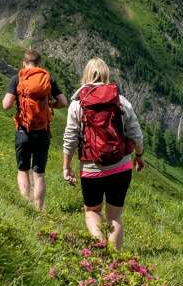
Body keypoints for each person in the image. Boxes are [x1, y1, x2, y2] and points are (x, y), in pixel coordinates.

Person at [61, 58, 145, 248]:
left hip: (91, 168)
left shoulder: (77, 104)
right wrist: (139, 155)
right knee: (115, 215)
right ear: (106, 75)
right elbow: (136, 134)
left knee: (92, 211)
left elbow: (70, 138)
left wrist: (67, 167)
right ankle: (115, 261)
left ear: (87, 76)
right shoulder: (121, 101)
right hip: (121, 166)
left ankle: (101, 250)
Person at [2, 49, 67, 211]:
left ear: (24, 62)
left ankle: (26, 206)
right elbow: (63, 102)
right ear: (39, 63)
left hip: (23, 130)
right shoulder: (47, 79)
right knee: (38, 173)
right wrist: (51, 105)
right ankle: (39, 209)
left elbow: (6, 105)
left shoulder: (17, 78)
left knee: (23, 170)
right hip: (43, 131)